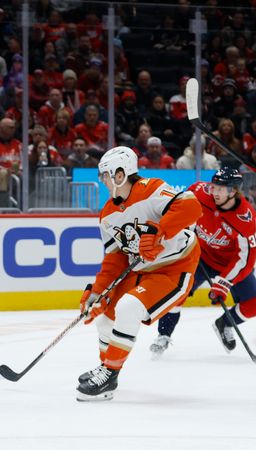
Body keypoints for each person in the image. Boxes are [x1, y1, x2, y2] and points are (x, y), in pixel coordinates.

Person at [77, 146, 201, 401]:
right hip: (141, 270)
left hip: (174, 268)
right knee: (104, 317)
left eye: (105, 175)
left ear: (120, 174)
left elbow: (191, 208)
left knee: (128, 308)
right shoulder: (107, 215)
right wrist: (97, 292)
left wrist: (160, 230)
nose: (102, 180)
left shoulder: (151, 188)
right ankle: (106, 369)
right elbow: (115, 258)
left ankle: (110, 373)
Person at [150, 168, 256, 358]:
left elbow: (246, 258)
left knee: (252, 307)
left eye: (221, 189)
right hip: (199, 256)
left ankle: (224, 323)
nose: (215, 192)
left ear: (233, 191)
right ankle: (163, 335)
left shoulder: (245, 217)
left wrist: (223, 283)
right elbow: (178, 206)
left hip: (230, 264)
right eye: (214, 186)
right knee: (176, 293)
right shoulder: (200, 192)